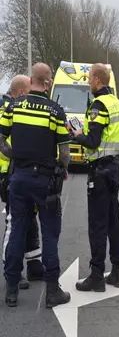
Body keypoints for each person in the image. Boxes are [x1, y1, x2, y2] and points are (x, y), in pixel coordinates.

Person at [0, 63, 71, 307]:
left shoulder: (13, 107)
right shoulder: (55, 111)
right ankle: (52, 291)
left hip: (18, 178)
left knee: (18, 229)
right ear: (48, 82)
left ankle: (11, 291)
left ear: (31, 80)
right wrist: (61, 168)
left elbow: (1, 140)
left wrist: (14, 156)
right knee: (50, 233)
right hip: (45, 181)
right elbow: (64, 151)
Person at [71, 63, 119, 292]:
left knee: (97, 225)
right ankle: (117, 272)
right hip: (113, 169)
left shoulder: (98, 105)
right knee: (113, 221)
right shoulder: (116, 103)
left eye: (89, 78)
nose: (88, 82)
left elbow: (93, 141)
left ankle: (96, 276)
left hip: (100, 172)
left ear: (96, 80)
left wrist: (77, 135)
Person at [0, 75, 44, 290]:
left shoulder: (20, 109)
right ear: (20, 93)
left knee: (30, 220)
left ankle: (34, 265)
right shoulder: (9, 111)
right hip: (9, 173)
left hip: (21, 172)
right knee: (14, 223)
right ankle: (12, 271)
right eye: (30, 91)